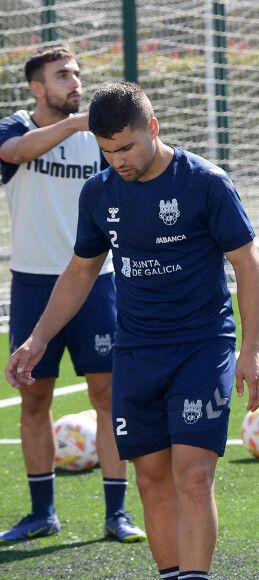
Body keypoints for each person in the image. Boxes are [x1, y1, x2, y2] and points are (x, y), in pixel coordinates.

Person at [6, 81, 259, 580]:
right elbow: (80, 271)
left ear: (152, 129)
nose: (116, 161)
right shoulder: (100, 193)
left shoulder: (204, 183)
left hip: (202, 346)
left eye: (124, 148)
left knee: (193, 474)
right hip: (137, 351)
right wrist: (37, 338)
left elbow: (246, 264)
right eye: (106, 151)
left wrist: (249, 350)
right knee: (151, 481)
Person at [0, 46, 146, 544]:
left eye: (77, 74)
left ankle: (116, 512)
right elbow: (14, 154)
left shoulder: (100, 139)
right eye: (62, 76)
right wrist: (77, 123)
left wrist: (90, 127)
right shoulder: (16, 128)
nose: (74, 82)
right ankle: (42, 512)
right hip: (33, 285)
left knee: (107, 395)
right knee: (34, 396)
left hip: (95, 284)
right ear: (37, 88)